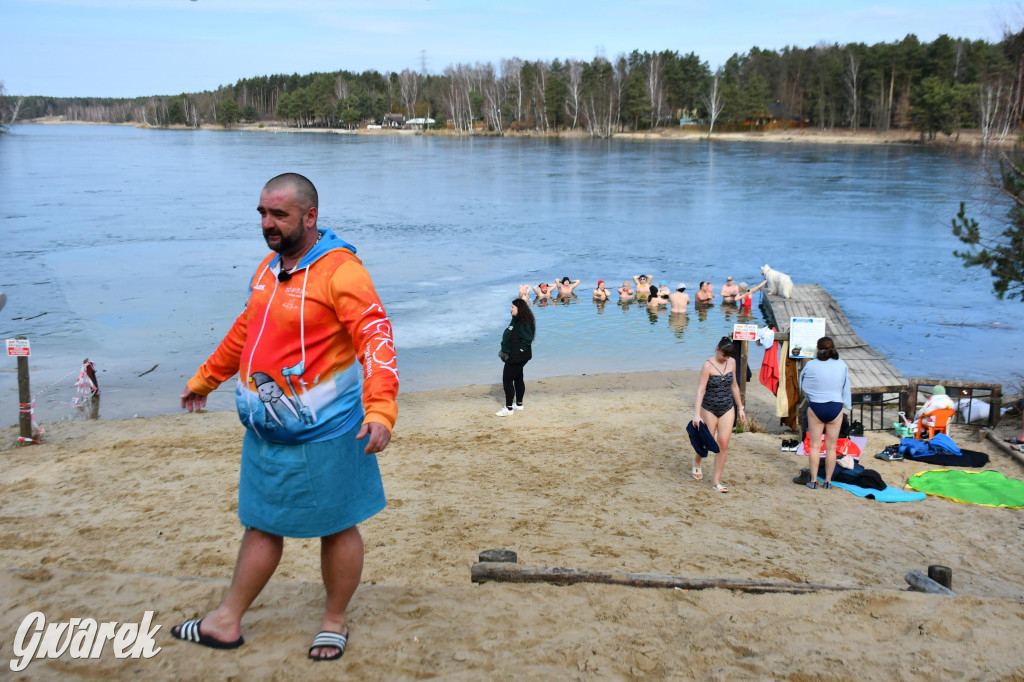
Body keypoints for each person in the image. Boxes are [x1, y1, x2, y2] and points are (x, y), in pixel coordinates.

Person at [172, 173, 398, 661]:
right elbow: (246, 330)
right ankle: (226, 621)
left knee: (338, 526)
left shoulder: (342, 272)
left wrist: (381, 409)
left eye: (279, 215)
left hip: (329, 433)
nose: (267, 224)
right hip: (266, 436)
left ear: (310, 216)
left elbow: (376, 338)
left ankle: (334, 621)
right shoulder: (268, 269)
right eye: (262, 214)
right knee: (260, 525)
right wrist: (206, 378)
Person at [693, 337, 744, 492]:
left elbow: (734, 385)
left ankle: (716, 482)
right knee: (707, 442)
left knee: (723, 443)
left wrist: (740, 407)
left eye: (729, 355)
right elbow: (701, 390)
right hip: (709, 407)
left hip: (727, 407)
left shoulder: (732, 363)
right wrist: (696, 414)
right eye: (724, 354)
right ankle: (697, 462)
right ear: (717, 349)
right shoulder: (707, 365)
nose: (726, 358)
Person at [799, 336, 851, 490]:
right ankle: (828, 481)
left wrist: (812, 397)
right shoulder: (842, 365)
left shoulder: (811, 365)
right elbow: (845, 387)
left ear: (817, 348)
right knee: (831, 447)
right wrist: (845, 404)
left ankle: (813, 480)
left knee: (815, 446)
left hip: (816, 406)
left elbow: (804, 386)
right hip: (835, 406)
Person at [496, 298, 535, 416]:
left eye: (513, 307)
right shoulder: (516, 319)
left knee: (507, 379)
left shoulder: (524, 322)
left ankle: (508, 408)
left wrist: (519, 351)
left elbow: (528, 339)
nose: (510, 309)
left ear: (519, 309)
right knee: (518, 378)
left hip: (517, 357)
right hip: (517, 356)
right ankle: (519, 404)